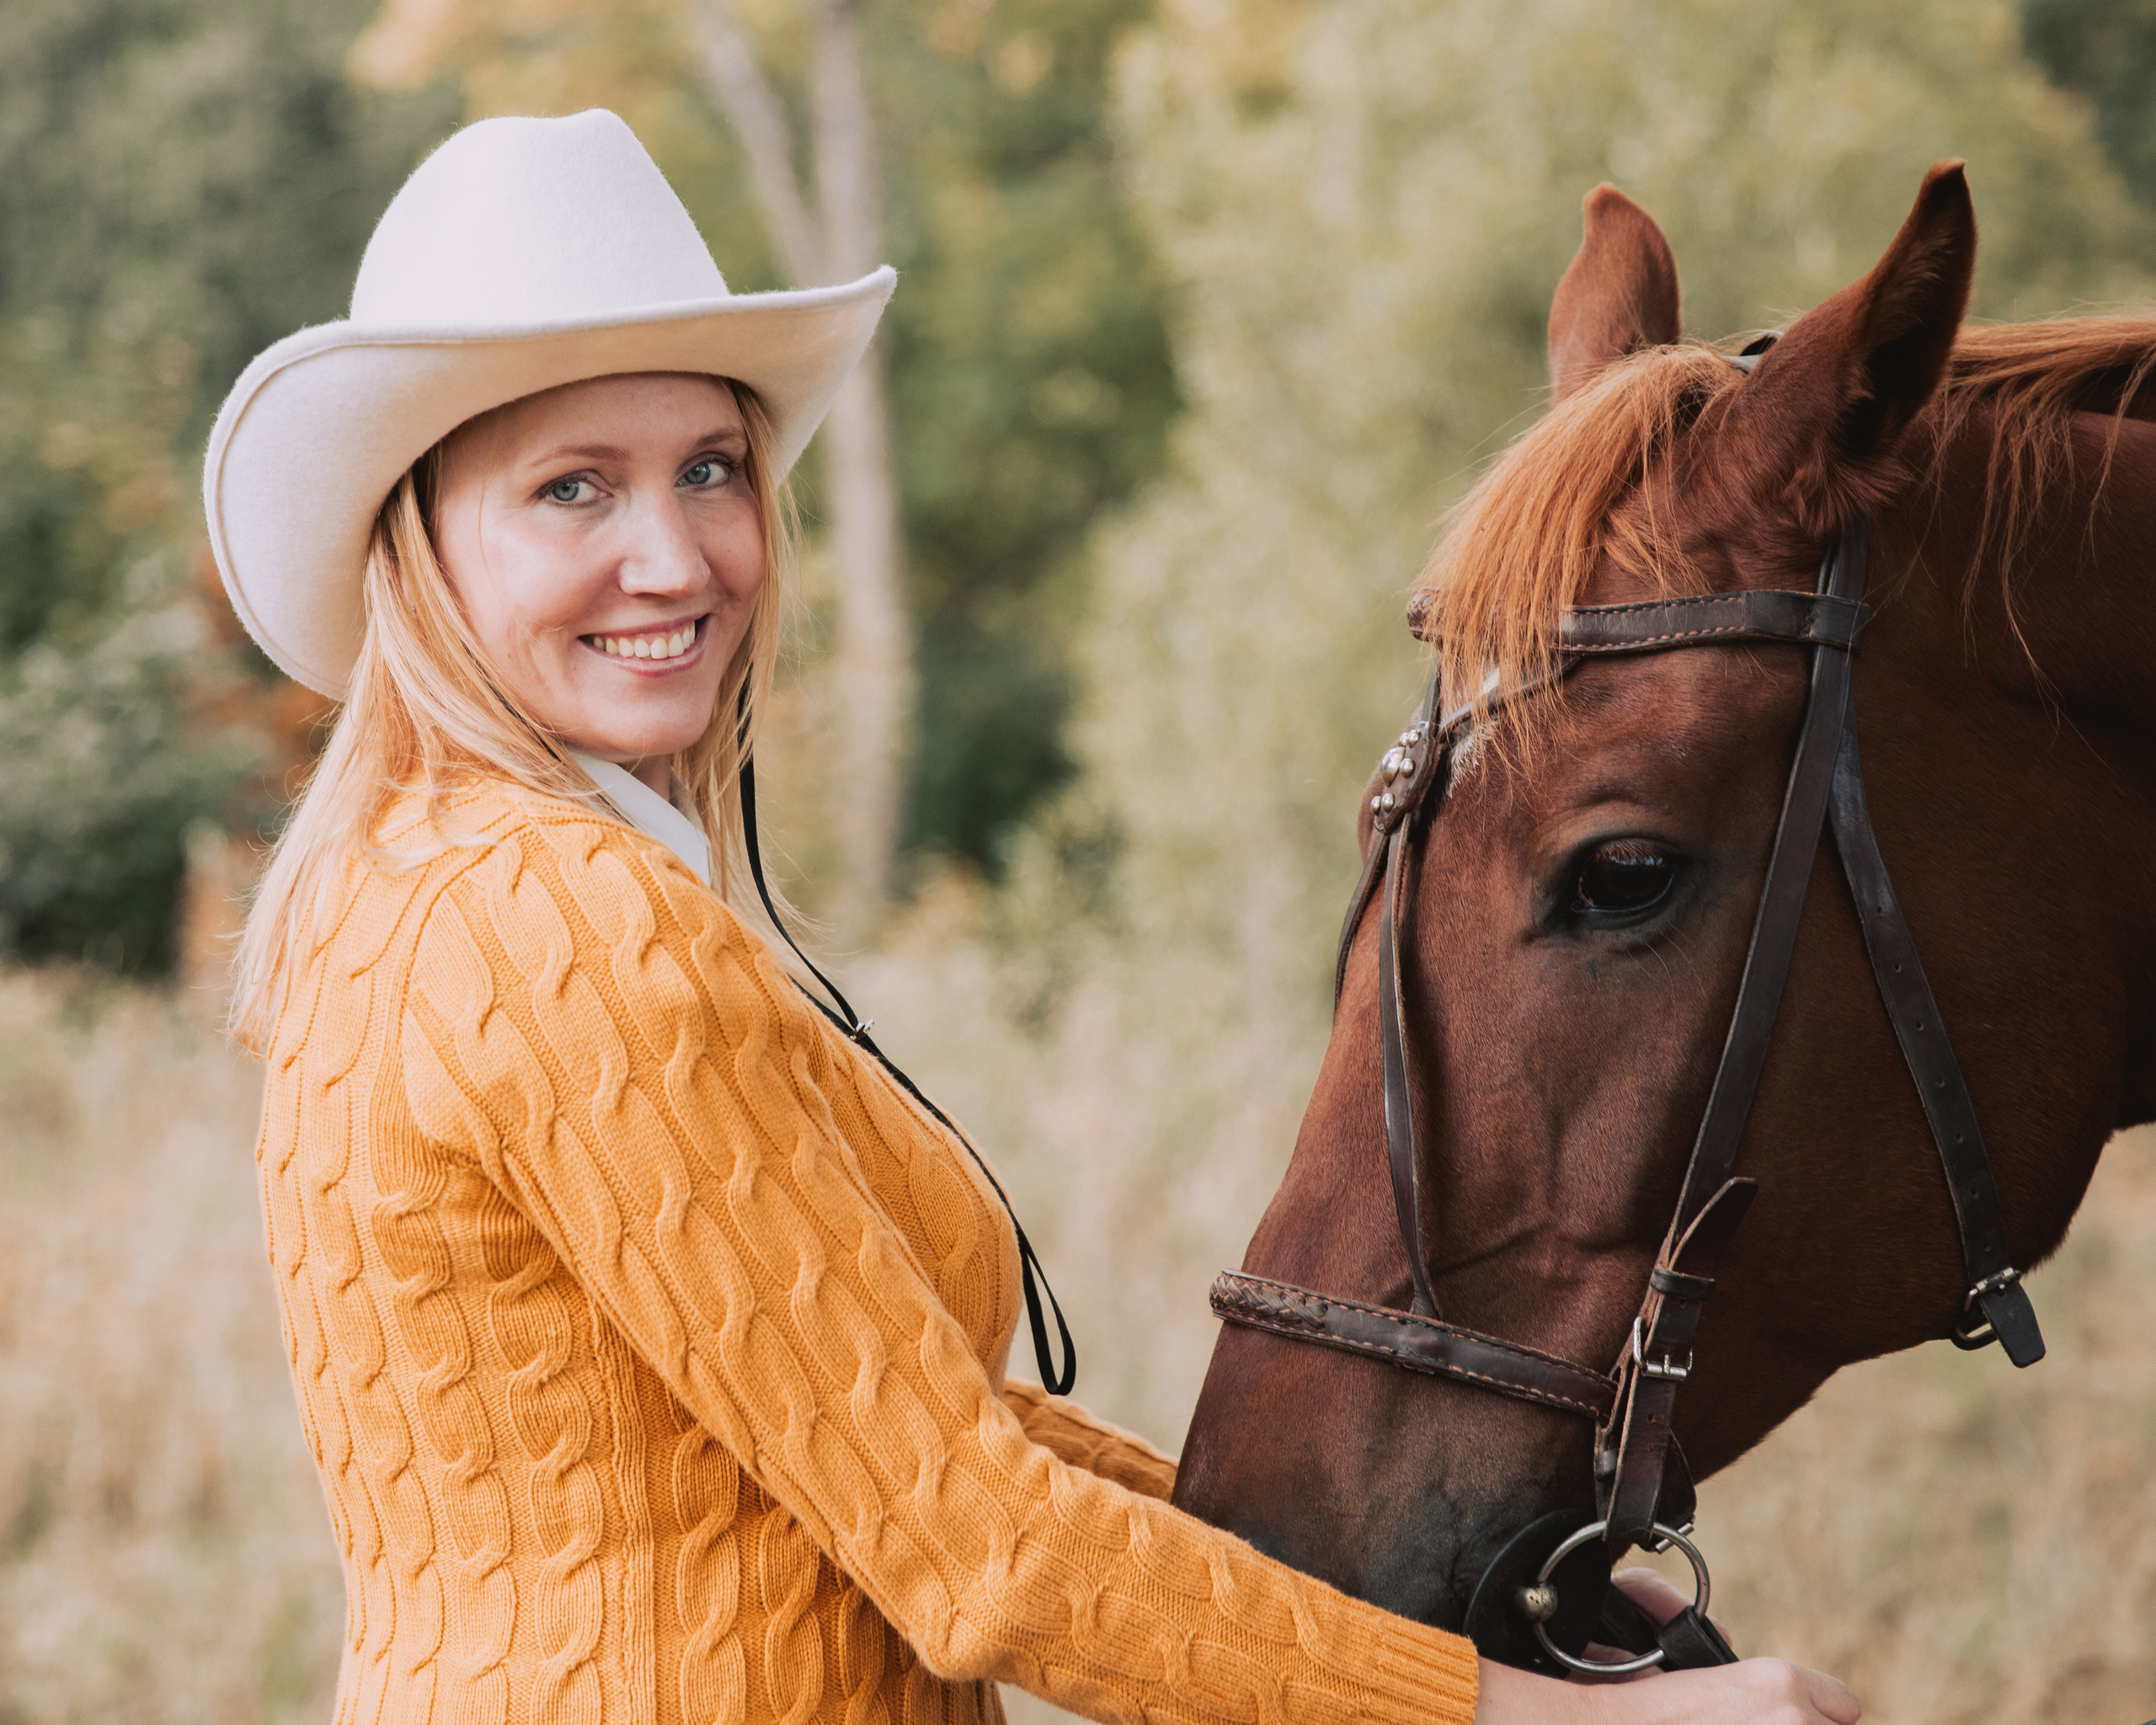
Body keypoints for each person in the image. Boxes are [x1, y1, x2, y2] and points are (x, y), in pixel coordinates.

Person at [209, 109, 1860, 1725]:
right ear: (418, 541)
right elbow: (979, 1552)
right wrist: (1564, 1720)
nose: (676, 556)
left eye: (708, 469)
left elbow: (896, 1435)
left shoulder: (409, 888)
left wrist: (1379, 1602)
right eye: (573, 488)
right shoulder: (565, 927)